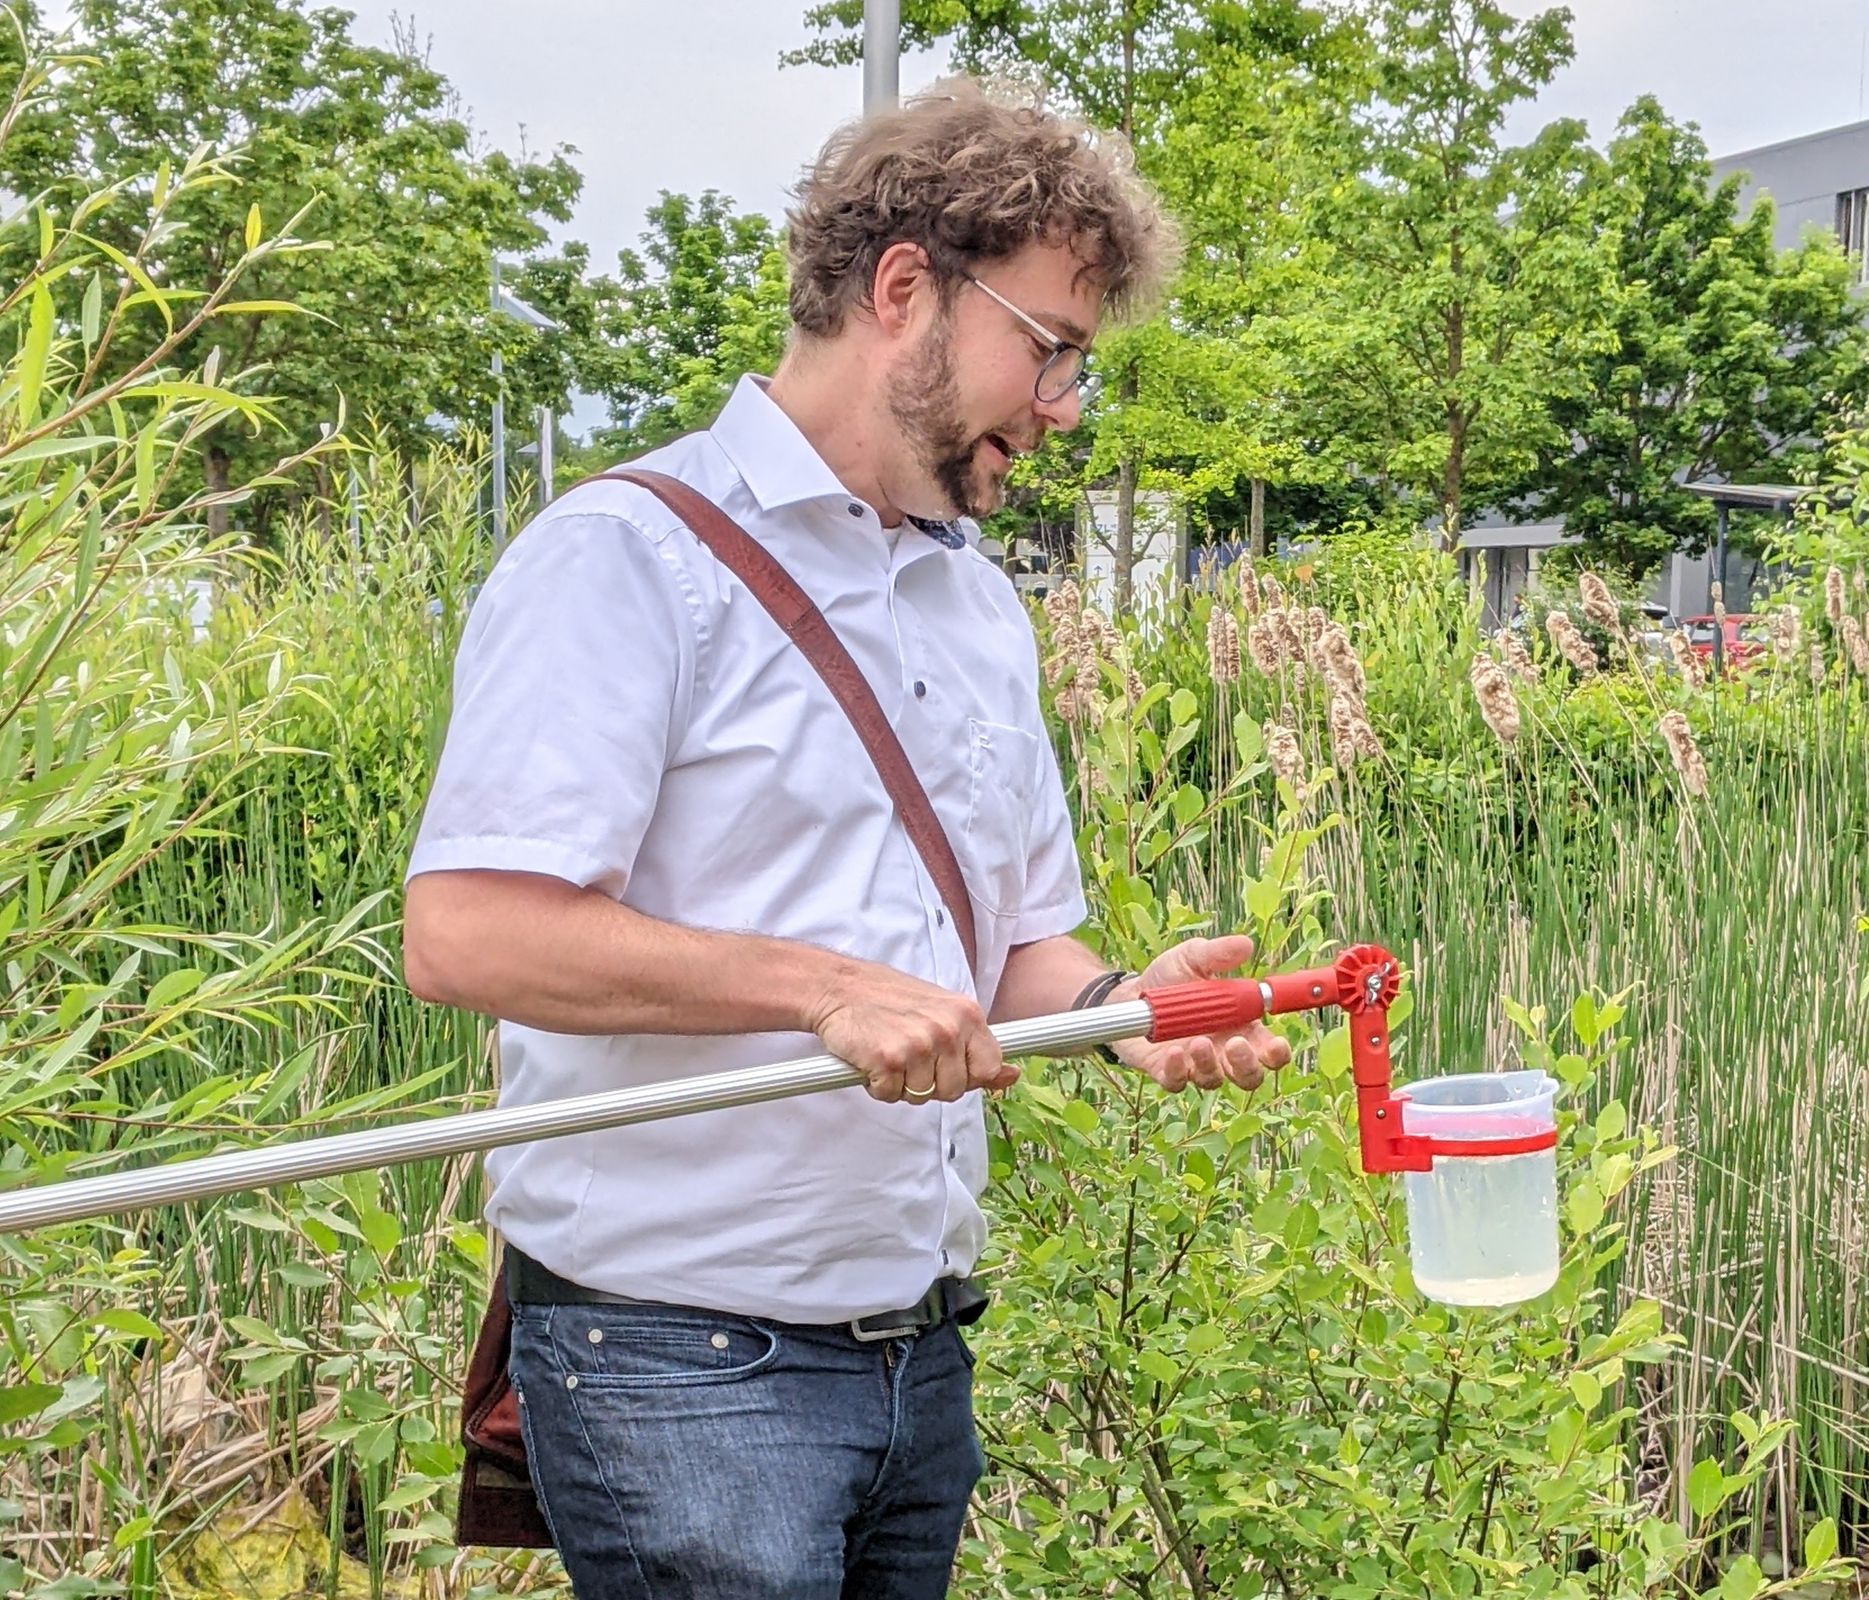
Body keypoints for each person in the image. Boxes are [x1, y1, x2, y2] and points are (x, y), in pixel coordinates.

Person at [400, 78, 1291, 1600]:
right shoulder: (625, 558)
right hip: (678, 1365)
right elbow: (468, 931)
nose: (1064, 408)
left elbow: (1007, 944)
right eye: (1054, 349)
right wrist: (822, 986)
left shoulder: (978, 603)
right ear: (904, 292)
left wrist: (1117, 1011)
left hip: (915, 1363)